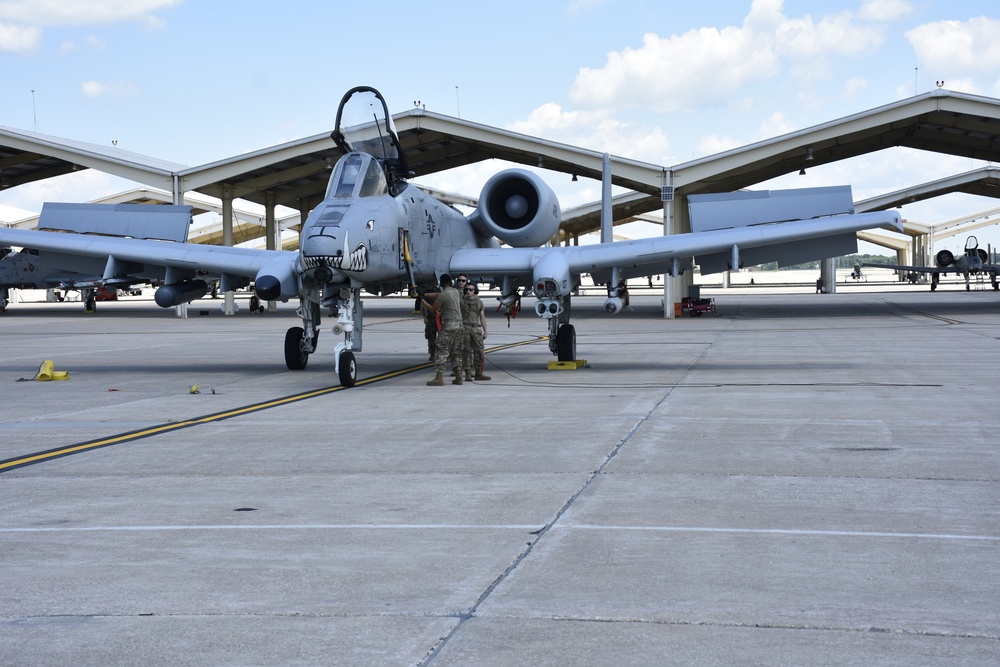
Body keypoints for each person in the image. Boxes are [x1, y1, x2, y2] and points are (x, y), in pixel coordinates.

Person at [419, 273, 465, 386]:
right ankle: (458, 377)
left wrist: (422, 300)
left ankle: (439, 378)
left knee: (441, 350)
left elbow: (433, 309)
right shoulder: (454, 291)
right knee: (456, 352)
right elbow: (439, 294)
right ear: (451, 282)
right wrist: (425, 294)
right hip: (459, 325)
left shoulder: (443, 295)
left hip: (449, 326)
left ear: (441, 283)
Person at [461, 281, 490, 381]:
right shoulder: (461, 302)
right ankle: (468, 373)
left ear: (475, 291)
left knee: (479, 351)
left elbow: (482, 317)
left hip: (476, 328)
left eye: (471, 290)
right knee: (466, 351)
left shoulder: (479, 302)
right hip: (464, 328)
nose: (468, 292)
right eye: (466, 290)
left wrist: (485, 331)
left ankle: (478, 373)